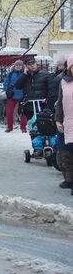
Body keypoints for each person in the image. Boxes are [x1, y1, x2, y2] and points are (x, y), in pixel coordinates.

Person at [14, 58, 56, 128]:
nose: (32, 66)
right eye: (29, 64)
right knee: (32, 126)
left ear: (36, 64)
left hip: (42, 104)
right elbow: (17, 86)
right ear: (26, 66)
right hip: (29, 105)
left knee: (43, 126)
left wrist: (47, 99)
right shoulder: (25, 76)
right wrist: (24, 75)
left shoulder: (45, 75)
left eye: (33, 63)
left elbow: (51, 89)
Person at [54, 54, 73, 194]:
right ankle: (69, 179)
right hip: (68, 122)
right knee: (65, 152)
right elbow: (59, 103)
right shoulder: (64, 82)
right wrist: (58, 119)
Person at [2, 60, 26, 133]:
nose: (18, 66)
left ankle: (23, 127)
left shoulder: (25, 74)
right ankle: (9, 126)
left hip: (22, 95)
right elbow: (6, 83)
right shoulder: (10, 74)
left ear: (22, 66)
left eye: (20, 65)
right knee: (9, 111)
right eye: (17, 65)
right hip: (12, 95)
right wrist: (5, 91)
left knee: (23, 112)